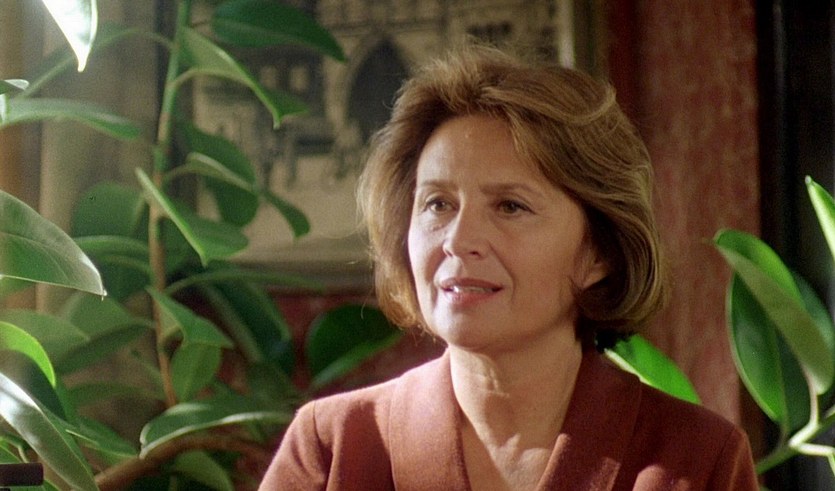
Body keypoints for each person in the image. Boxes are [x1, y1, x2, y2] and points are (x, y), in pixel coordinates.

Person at [258, 44, 758, 490]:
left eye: (510, 207)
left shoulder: (699, 459)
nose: (458, 241)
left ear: (599, 253)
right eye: (437, 204)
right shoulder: (331, 448)